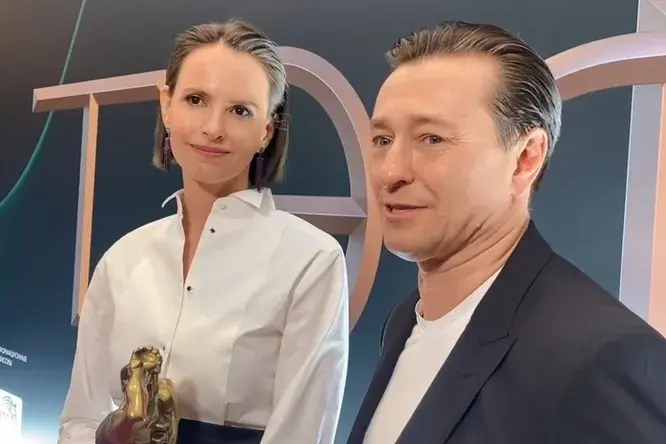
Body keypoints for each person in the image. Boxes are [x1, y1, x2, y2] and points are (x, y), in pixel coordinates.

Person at [347, 21, 666, 444]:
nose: (391, 172)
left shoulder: (602, 356)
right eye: (383, 140)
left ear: (525, 158)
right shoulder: (405, 320)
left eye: (432, 139)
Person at [58, 19, 349, 444]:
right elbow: (79, 421)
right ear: (167, 106)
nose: (214, 127)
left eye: (240, 110)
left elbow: (302, 435)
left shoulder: (311, 261)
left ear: (266, 131)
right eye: (196, 99)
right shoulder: (124, 259)